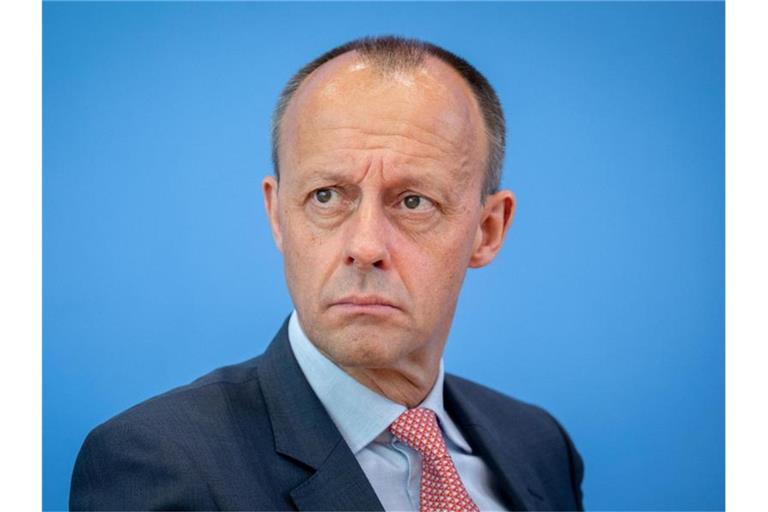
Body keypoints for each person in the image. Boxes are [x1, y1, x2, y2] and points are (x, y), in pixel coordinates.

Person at [70, 36, 584, 512]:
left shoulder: (539, 446)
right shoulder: (158, 464)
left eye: (413, 201)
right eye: (326, 196)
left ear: (488, 229)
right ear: (277, 215)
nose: (365, 247)